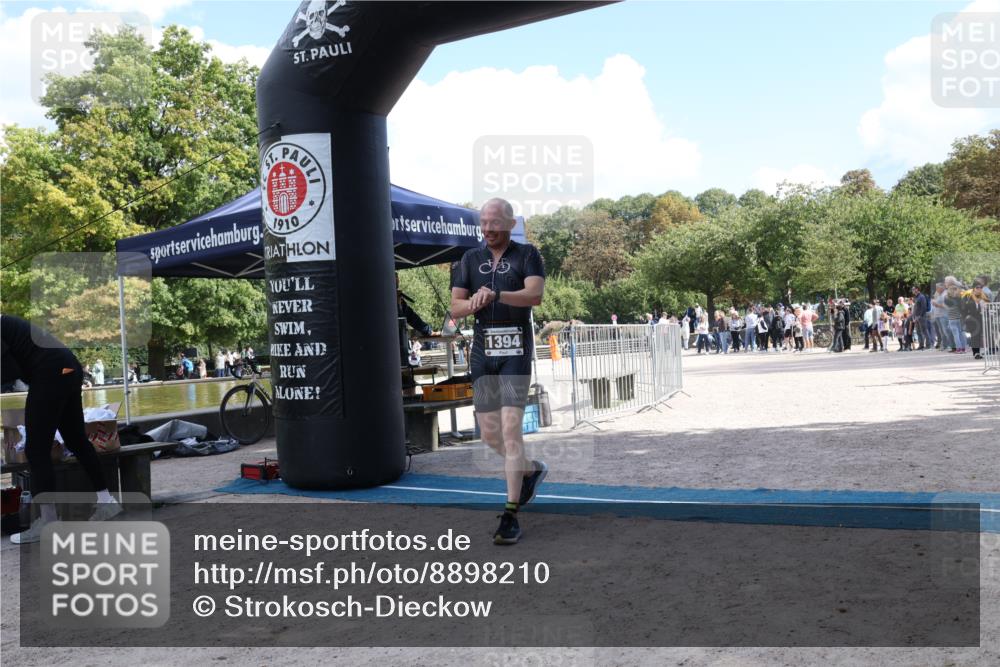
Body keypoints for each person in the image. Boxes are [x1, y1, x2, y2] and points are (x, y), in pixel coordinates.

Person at [450, 197, 546, 546]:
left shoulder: (527, 254)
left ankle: (510, 514)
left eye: (494, 223)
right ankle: (529, 470)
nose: (488, 229)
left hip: (515, 350)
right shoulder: (469, 259)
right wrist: (473, 302)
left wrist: (496, 295)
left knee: (510, 429)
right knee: (490, 435)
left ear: (509, 224)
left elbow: (534, 295)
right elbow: (456, 307)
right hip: (482, 352)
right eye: (484, 223)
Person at [1, 315, 122, 543]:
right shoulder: (5, 323)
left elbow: (9, 369)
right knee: (76, 440)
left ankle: (48, 524)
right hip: (68, 366)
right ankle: (107, 502)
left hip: (50, 372)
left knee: (36, 450)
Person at [396, 272, 434, 368]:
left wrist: (428, 331)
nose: (398, 281)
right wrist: (397, 304)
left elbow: (412, 318)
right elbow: (398, 321)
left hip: (402, 348)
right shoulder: (383, 299)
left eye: (397, 279)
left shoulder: (400, 301)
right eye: (395, 279)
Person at [910, 286, 930, 350]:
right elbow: (915, 308)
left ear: (917, 289)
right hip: (916, 317)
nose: (912, 290)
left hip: (921, 317)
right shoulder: (916, 297)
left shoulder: (922, 297)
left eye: (913, 289)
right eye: (912, 289)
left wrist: (920, 316)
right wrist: (914, 317)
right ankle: (921, 345)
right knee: (918, 332)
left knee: (924, 331)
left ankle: (928, 345)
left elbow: (924, 307)